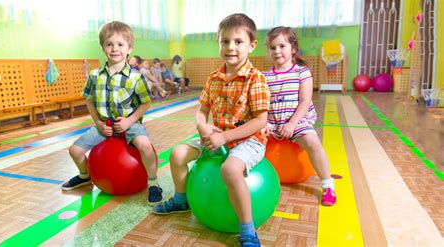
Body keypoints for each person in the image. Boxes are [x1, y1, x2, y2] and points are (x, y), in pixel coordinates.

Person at [153, 14, 269, 246]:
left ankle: (247, 228)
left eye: (238, 41)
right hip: (216, 138)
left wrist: (225, 136)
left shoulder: (255, 79)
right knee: (177, 155)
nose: (230, 47)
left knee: (230, 170)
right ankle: (181, 199)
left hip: (249, 141)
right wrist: (202, 125)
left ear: (252, 45)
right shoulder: (214, 78)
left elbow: (260, 121)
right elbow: (202, 110)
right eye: (224, 41)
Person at [61, 21, 163, 206]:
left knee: (145, 146)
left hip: (130, 124)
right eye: (109, 44)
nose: (115, 49)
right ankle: (85, 176)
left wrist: (129, 122)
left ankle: (154, 182)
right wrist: (98, 123)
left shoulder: (136, 76)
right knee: (74, 150)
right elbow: (89, 100)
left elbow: (146, 102)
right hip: (104, 126)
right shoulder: (94, 76)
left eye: (120, 44)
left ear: (129, 48)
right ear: (103, 47)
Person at [264, 26, 336, 206]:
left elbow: (305, 101)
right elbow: (261, 104)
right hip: (272, 122)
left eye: (282, 46)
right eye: (273, 47)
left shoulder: (301, 73)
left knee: (312, 142)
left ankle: (328, 185)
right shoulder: (264, 76)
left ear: (293, 48)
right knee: (247, 139)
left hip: (296, 121)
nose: (277, 51)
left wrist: (292, 124)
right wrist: (264, 124)